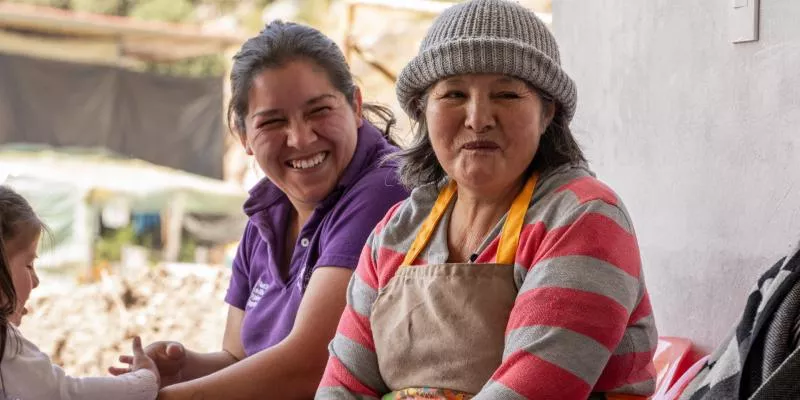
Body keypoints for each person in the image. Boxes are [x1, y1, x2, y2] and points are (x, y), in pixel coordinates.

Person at [317, 1, 658, 399]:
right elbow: (341, 387)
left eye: (507, 94)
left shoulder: (585, 218)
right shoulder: (395, 233)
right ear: (423, 110)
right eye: (454, 94)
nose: (478, 118)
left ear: (547, 113)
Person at [111, 21, 409, 399]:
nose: (301, 138)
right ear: (244, 137)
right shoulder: (268, 210)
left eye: (319, 111)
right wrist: (184, 368)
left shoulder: (386, 187)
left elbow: (310, 365)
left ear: (355, 106)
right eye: (273, 121)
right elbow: (238, 356)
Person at [0, 185, 160, 400]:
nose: (36, 281)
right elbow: (65, 392)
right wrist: (146, 380)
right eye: (28, 265)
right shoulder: (6, 345)